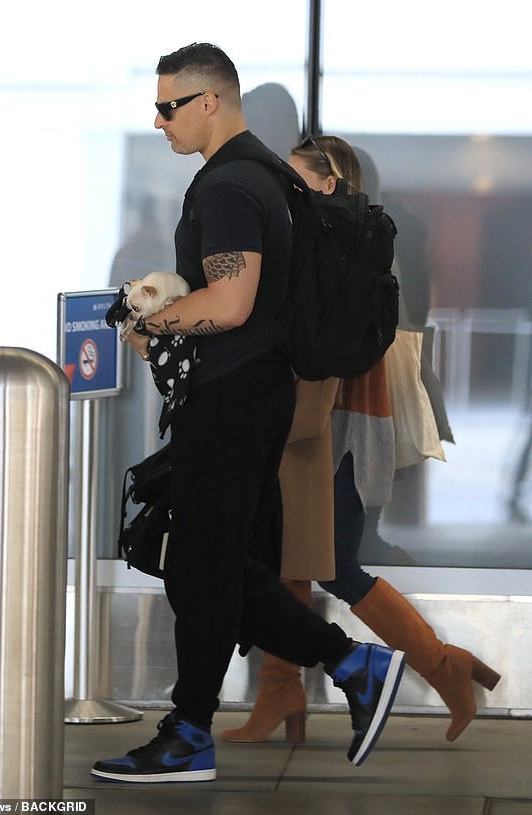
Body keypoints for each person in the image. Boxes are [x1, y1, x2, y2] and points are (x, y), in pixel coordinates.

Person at [91, 44, 406, 784]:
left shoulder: (231, 183)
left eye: (170, 105)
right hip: (253, 390)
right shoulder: (265, 175)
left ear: (210, 102)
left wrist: (147, 327)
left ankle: (190, 732)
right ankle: (351, 665)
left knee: (204, 565)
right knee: (212, 566)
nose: (160, 119)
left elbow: (231, 302)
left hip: (234, 393)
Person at [221, 135, 502, 747]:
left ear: (327, 181)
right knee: (296, 555)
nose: (282, 193)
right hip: (325, 416)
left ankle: (444, 668)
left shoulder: (339, 239)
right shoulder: (339, 237)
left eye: (294, 180)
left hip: (339, 419)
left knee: (336, 565)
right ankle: (281, 691)